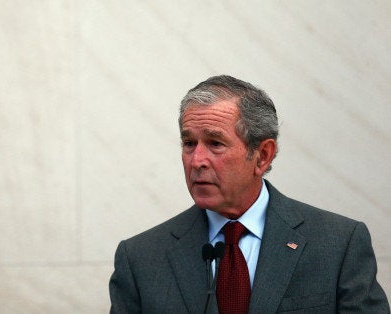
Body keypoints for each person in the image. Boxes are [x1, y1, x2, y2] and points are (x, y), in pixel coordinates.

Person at [109, 75, 389, 313]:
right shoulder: (140, 259)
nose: (196, 160)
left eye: (215, 143)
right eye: (189, 143)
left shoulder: (338, 244)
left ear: (262, 156)